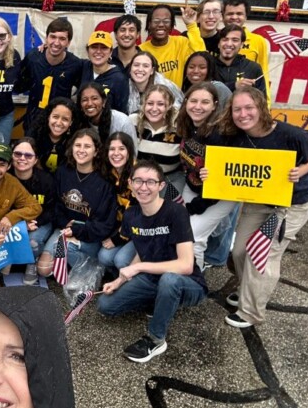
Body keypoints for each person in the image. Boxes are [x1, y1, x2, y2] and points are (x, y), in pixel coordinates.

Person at [215, 86, 308, 328]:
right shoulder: (236, 136)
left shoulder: (290, 134)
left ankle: (251, 312)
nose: (243, 114)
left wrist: (301, 170)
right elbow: (226, 166)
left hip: (291, 204)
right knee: (240, 250)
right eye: (237, 109)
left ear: (261, 107)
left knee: (262, 254)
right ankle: (247, 290)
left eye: (248, 108)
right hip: (259, 200)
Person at [97, 160, 207, 363]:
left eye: (150, 182)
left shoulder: (176, 212)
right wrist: (119, 281)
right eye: (138, 181)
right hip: (152, 278)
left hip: (187, 283)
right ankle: (160, 300)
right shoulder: (131, 215)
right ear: (130, 183)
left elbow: (185, 265)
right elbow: (142, 250)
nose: (143, 187)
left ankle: (156, 339)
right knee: (105, 306)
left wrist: (137, 268)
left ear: (161, 186)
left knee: (170, 280)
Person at [38, 129, 117, 276]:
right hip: (65, 229)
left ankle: (92, 270)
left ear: (96, 151)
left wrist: (76, 231)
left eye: (87, 146)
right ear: (71, 148)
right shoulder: (63, 172)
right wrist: (65, 223)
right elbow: (55, 206)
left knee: (62, 249)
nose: (81, 150)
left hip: (91, 236)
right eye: (77, 145)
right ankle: (70, 264)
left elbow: (104, 224)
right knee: (43, 269)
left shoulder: (105, 181)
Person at [176, 82, 235, 270]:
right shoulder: (188, 125)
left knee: (194, 238)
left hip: (217, 195)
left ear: (215, 105)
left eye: (205, 102)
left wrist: (195, 206)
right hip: (193, 187)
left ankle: (193, 284)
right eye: (193, 101)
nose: (198, 107)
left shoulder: (220, 134)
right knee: (182, 235)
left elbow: (220, 183)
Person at [16, 18, 83, 130]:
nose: (56, 43)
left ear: (69, 42)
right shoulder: (33, 58)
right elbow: (19, 86)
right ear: (46, 38)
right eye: (53, 37)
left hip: (59, 124)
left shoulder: (75, 64)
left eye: (62, 39)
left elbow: (83, 89)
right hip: (33, 121)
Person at [9, 137, 57, 284]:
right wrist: (22, 224)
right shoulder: (4, 177)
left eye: (28, 155)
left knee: (32, 241)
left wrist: (36, 221)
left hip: (40, 222)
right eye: (18, 154)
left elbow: (53, 209)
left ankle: (32, 264)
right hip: (13, 221)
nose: (22, 158)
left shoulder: (46, 180)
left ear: (35, 160)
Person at [98, 132, 138, 275]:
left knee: (120, 260)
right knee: (104, 257)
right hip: (120, 225)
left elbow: (135, 215)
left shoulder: (137, 175)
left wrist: (117, 239)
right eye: (112, 149)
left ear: (129, 151)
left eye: (121, 149)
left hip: (139, 230)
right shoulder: (109, 172)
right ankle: (118, 281)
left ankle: (135, 286)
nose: (116, 153)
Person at [138, 3, 204, 90]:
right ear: (149, 25)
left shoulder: (181, 43)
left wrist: (191, 25)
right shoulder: (141, 50)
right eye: (156, 21)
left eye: (166, 21)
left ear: (172, 25)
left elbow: (201, 55)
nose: (161, 24)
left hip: (175, 100)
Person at [130, 84, 183, 192]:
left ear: (169, 106)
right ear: (143, 104)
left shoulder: (180, 125)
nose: (154, 109)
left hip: (170, 179)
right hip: (140, 179)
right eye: (150, 103)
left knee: (170, 208)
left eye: (160, 104)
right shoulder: (132, 121)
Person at [222, 0, 270, 96]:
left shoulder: (258, 41)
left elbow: (264, 76)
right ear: (223, 16)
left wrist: (266, 105)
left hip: (245, 98)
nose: (234, 17)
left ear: (246, 16)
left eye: (239, 14)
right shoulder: (218, 39)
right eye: (230, 14)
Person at [25, 96, 79, 174]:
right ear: (48, 117)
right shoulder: (35, 134)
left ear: (71, 122)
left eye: (65, 119)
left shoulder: (75, 139)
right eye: (55, 117)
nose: (59, 123)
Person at [80, 30, 130, 113]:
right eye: (94, 47)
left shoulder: (119, 79)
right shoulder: (83, 67)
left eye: (104, 48)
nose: (98, 51)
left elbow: (122, 112)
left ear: (111, 52)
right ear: (88, 50)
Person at [76, 82, 137, 149]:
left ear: (104, 101)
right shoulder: (78, 123)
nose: (89, 103)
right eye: (84, 100)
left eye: (94, 98)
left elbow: (132, 153)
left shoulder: (122, 122)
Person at [215, 25, 267, 98]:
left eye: (235, 40)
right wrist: (234, 85)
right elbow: (203, 91)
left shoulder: (253, 68)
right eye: (225, 39)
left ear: (242, 45)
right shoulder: (208, 65)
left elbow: (261, 100)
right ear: (218, 44)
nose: (229, 44)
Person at [127, 50, 183, 114]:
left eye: (146, 66)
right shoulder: (124, 86)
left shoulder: (165, 86)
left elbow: (176, 111)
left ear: (152, 71)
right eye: (136, 65)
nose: (140, 69)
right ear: (130, 68)